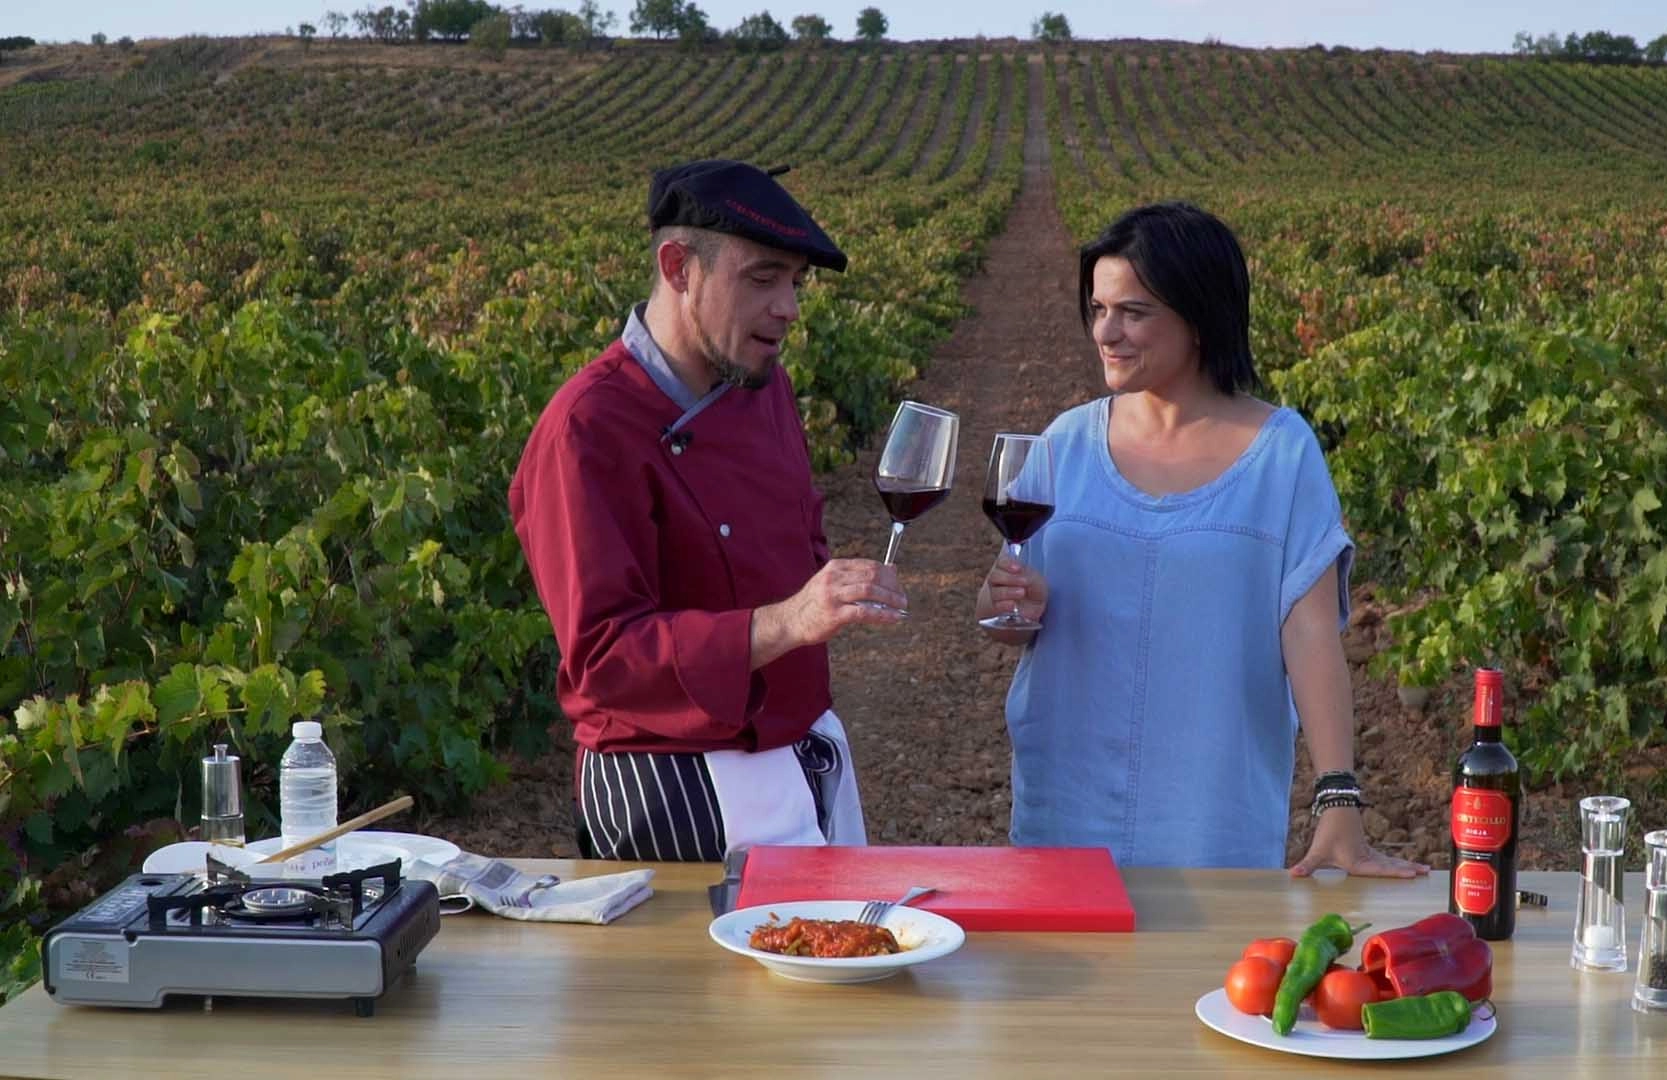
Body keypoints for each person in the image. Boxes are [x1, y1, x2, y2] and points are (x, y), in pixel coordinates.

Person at [974, 201, 1425, 876]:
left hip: (1215, 821)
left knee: (1206, 983)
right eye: (1098, 309)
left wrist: (1339, 797)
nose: (1108, 331)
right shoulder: (1063, 445)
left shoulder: (1281, 454)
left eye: (1134, 311)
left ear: (1199, 315)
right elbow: (1012, 619)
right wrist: (1005, 600)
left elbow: (1309, 635)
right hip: (1065, 815)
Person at [511, 160, 908, 862]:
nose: (787, 306)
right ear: (678, 267)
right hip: (673, 781)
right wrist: (787, 622)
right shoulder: (589, 427)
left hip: (796, 750)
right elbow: (604, 657)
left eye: (795, 282)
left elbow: (798, 531)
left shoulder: (763, 385)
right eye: (763, 278)